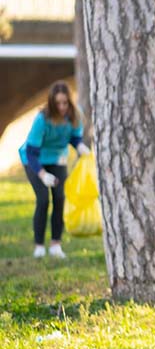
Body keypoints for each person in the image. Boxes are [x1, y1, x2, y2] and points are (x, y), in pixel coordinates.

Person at [18, 81, 89, 259]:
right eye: (58, 103)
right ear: (52, 103)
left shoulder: (76, 115)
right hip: (34, 160)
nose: (62, 107)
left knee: (59, 198)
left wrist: (80, 146)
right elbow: (31, 152)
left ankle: (56, 245)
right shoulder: (42, 120)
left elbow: (74, 137)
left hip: (57, 159)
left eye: (65, 102)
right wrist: (42, 175)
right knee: (43, 200)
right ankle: (39, 246)